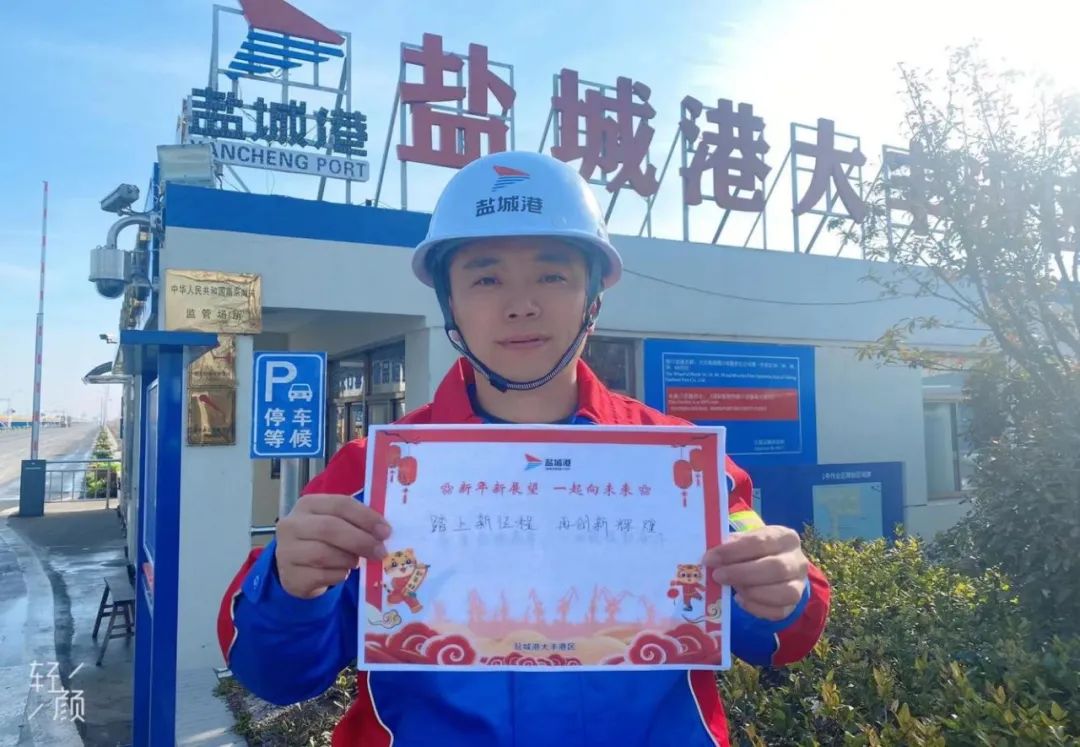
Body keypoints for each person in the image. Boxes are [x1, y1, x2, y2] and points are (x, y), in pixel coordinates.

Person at [217, 151, 830, 747]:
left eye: (552, 275)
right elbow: (277, 676)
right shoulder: (371, 475)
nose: (521, 305)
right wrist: (289, 588)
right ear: (449, 301)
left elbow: (778, 636)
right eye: (485, 278)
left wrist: (784, 591)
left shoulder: (683, 469)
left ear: (593, 296)